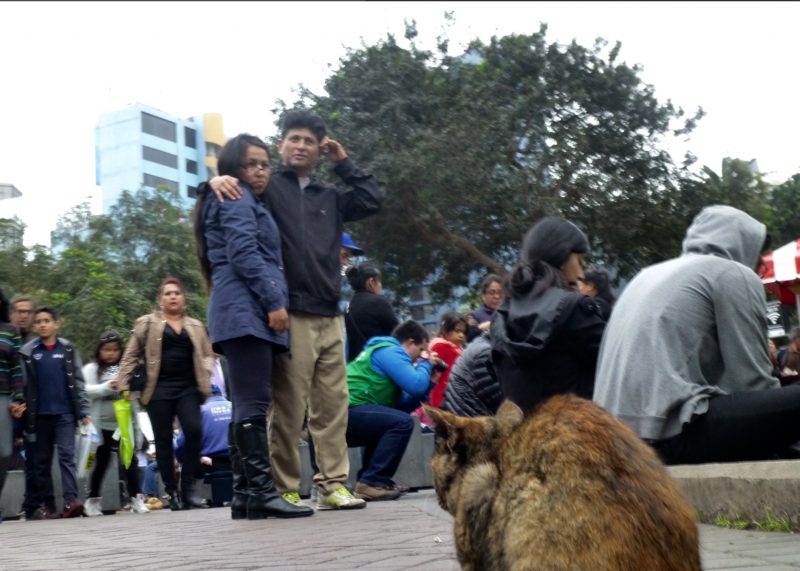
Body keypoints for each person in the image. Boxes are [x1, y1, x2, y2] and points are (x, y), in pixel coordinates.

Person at [207, 109, 382, 511]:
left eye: (309, 140)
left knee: (333, 406)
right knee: (288, 406)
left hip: (331, 311)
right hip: (290, 311)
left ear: (320, 148)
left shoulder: (331, 195)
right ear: (282, 143)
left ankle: (333, 484)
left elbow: (372, 199)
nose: (301, 146)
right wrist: (214, 179)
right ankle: (284, 485)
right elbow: (229, 198)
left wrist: (344, 162)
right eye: (294, 139)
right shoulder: (268, 187)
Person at [593, 205, 800, 465]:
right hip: (667, 437)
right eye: (759, 261)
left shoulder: (647, 275)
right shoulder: (733, 273)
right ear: (744, 247)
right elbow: (753, 381)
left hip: (611, 440)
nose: (760, 270)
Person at [194, 133, 313, 519]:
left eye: (264, 164)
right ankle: (260, 491)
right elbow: (244, 253)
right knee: (253, 403)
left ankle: (246, 493)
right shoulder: (236, 196)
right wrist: (273, 302)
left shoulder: (238, 196)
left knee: (247, 402)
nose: (259, 171)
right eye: (251, 164)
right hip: (246, 310)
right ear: (233, 169)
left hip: (239, 311)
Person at [490, 217, 607, 414]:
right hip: (581, 437)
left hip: (525, 440)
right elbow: (618, 363)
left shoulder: (502, 316)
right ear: (562, 257)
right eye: (579, 261)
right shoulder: (574, 310)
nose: (581, 274)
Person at [117, 276, 214, 510]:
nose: (173, 296)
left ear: (184, 299)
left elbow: (208, 353)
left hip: (188, 387)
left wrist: (207, 367)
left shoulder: (196, 325)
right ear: (160, 299)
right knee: (162, 440)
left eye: (177, 293)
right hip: (157, 388)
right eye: (168, 293)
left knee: (194, 430)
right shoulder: (147, 324)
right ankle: (172, 491)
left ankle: (189, 488)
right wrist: (123, 383)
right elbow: (131, 354)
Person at [346, 320, 438, 501]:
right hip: (345, 413)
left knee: (393, 420)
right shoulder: (389, 350)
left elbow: (403, 405)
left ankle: (369, 481)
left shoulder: (387, 355)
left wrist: (431, 381)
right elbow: (415, 385)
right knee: (401, 422)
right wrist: (426, 363)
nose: (418, 358)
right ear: (410, 343)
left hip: (352, 414)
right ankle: (372, 481)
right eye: (420, 351)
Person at [19, 306, 92, 520]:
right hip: (38, 416)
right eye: (39, 321)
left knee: (66, 457)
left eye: (47, 320)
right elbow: (24, 384)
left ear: (56, 324)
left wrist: (84, 410)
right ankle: (48, 504)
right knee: (42, 461)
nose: (42, 324)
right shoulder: (29, 351)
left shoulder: (68, 349)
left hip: (66, 414)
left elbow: (78, 382)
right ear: (35, 326)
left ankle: (71, 501)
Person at [82, 330, 149, 517]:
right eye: (106, 349)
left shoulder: (127, 368)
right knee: (101, 463)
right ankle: (93, 500)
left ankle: (136, 498)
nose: (110, 353)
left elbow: (136, 395)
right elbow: (84, 390)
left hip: (123, 424)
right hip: (100, 425)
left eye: (114, 350)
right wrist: (106, 387)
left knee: (130, 462)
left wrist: (129, 391)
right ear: (99, 350)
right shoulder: (92, 369)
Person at [0, 288, 25, 523]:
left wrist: (18, 397)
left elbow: (16, 367)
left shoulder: (11, 331)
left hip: (4, 395)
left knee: (5, 452)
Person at [440, 332, 503, 418]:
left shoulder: (477, 346)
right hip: (471, 424)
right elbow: (502, 403)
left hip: (463, 416)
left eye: (463, 331)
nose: (461, 335)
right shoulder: (485, 353)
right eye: (457, 330)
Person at [345, 263, 399, 363]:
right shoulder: (378, 302)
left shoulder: (348, 308)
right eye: (380, 283)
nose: (381, 286)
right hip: (377, 367)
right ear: (371, 282)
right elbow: (398, 333)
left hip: (356, 368)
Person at [175, 384, 231, 478]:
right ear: (220, 394)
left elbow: (181, 443)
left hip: (208, 465)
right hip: (237, 463)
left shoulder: (199, 411)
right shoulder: (235, 406)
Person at [466, 274, 504, 343]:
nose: (497, 296)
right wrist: (485, 326)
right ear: (483, 296)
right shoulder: (474, 315)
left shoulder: (509, 314)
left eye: (500, 293)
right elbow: (468, 334)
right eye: (492, 293)